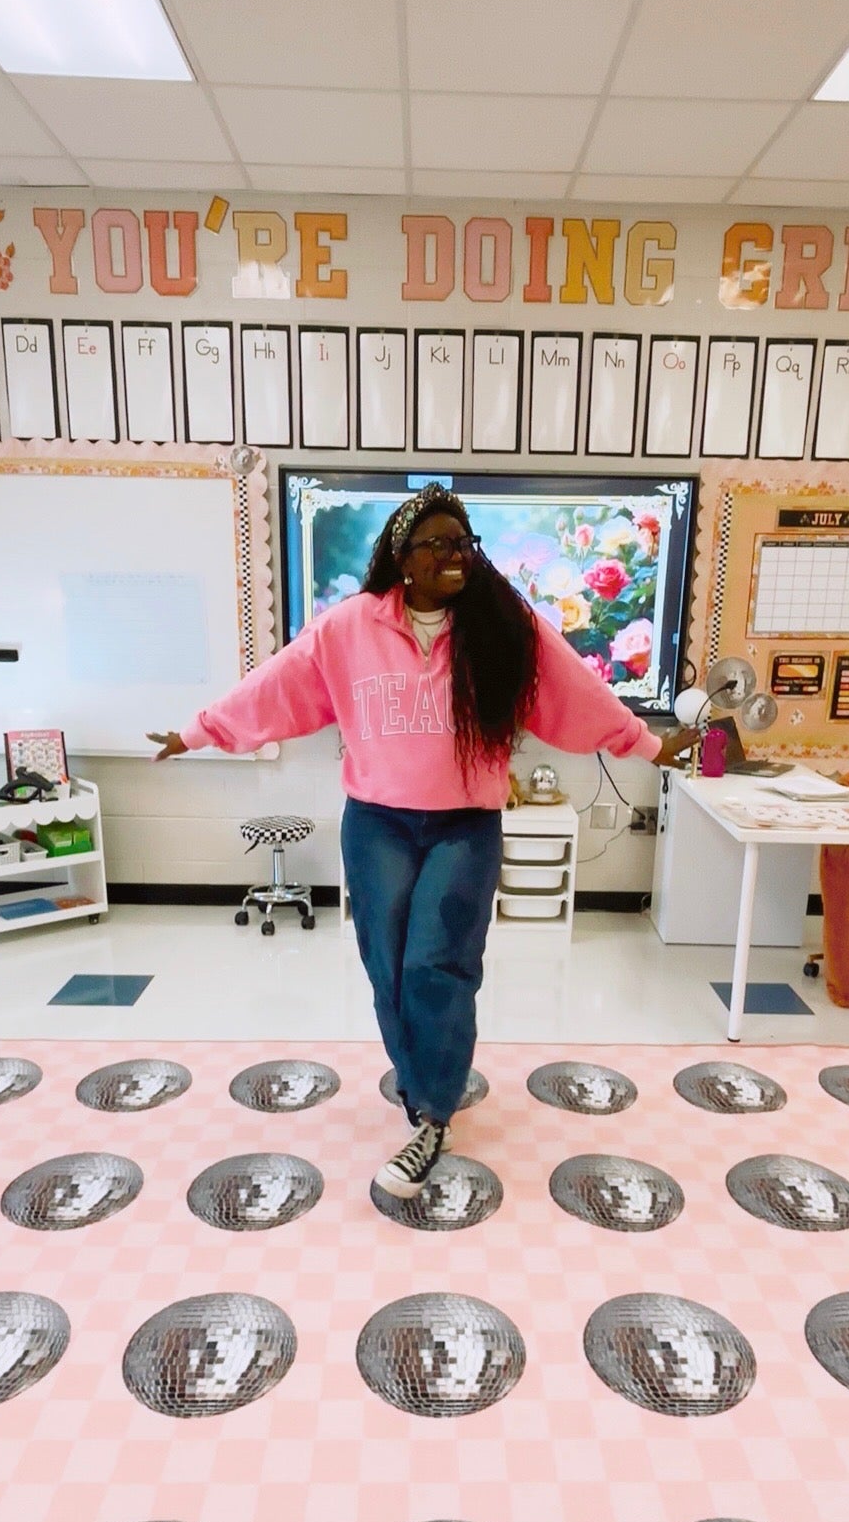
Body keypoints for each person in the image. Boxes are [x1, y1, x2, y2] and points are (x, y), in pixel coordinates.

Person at [150, 483, 692, 1201]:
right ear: (402, 559)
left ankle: (433, 1115)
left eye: (461, 541)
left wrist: (648, 744)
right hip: (378, 824)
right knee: (388, 965)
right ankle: (419, 1080)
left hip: (465, 824)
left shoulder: (504, 626)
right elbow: (275, 688)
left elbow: (575, 693)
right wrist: (198, 733)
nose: (452, 554)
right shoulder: (347, 629)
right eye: (435, 543)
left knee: (439, 963)